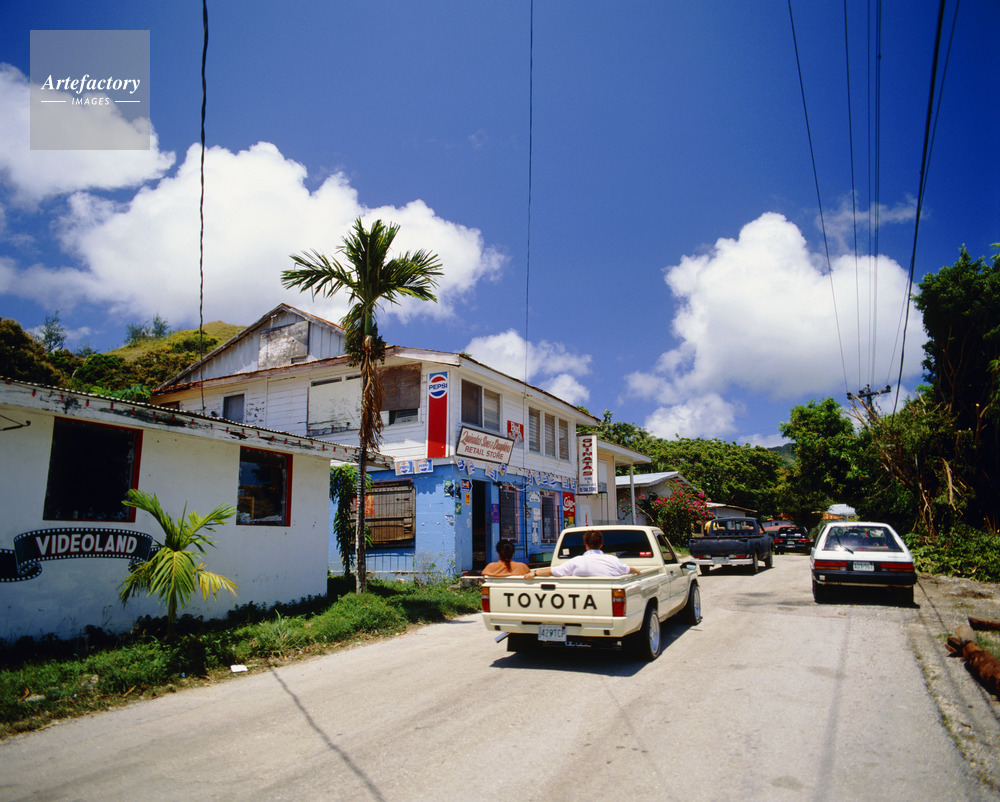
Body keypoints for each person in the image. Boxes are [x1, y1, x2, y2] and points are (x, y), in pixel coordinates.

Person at [523, 529, 641, 579]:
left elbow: (553, 571)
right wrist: (636, 570)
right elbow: (628, 569)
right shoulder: (613, 560)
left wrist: (534, 573)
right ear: (601, 545)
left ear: (585, 544)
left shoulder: (576, 561)